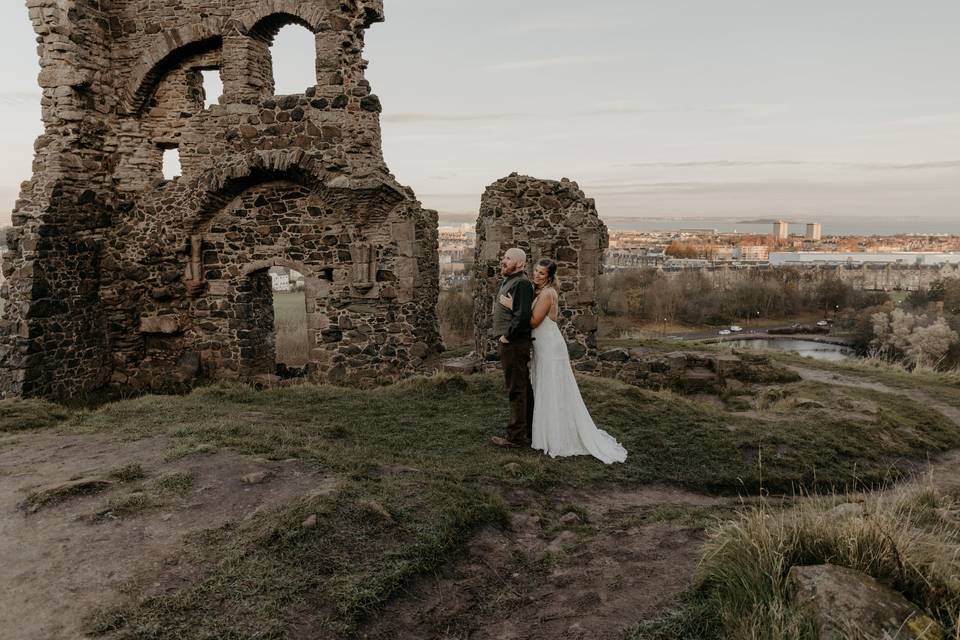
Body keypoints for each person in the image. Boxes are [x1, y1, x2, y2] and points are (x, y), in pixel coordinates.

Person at [500, 259, 627, 464]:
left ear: (549, 277)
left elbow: (532, 321)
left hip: (550, 347)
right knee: (544, 387)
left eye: (542, 273)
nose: (537, 275)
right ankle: (545, 430)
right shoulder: (538, 291)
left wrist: (512, 304)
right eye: (536, 271)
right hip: (542, 346)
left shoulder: (548, 293)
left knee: (553, 388)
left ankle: (557, 435)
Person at [490, 248, 536, 449]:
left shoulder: (522, 283)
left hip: (514, 344)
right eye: (504, 257)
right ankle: (526, 431)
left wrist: (507, 336)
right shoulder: (512, 280)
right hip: (512, 343)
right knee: (520, 387)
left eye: (508, 258)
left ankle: (516, 437)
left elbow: (522, 316)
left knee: (517, 389)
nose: (503, 260)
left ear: (519, 263)